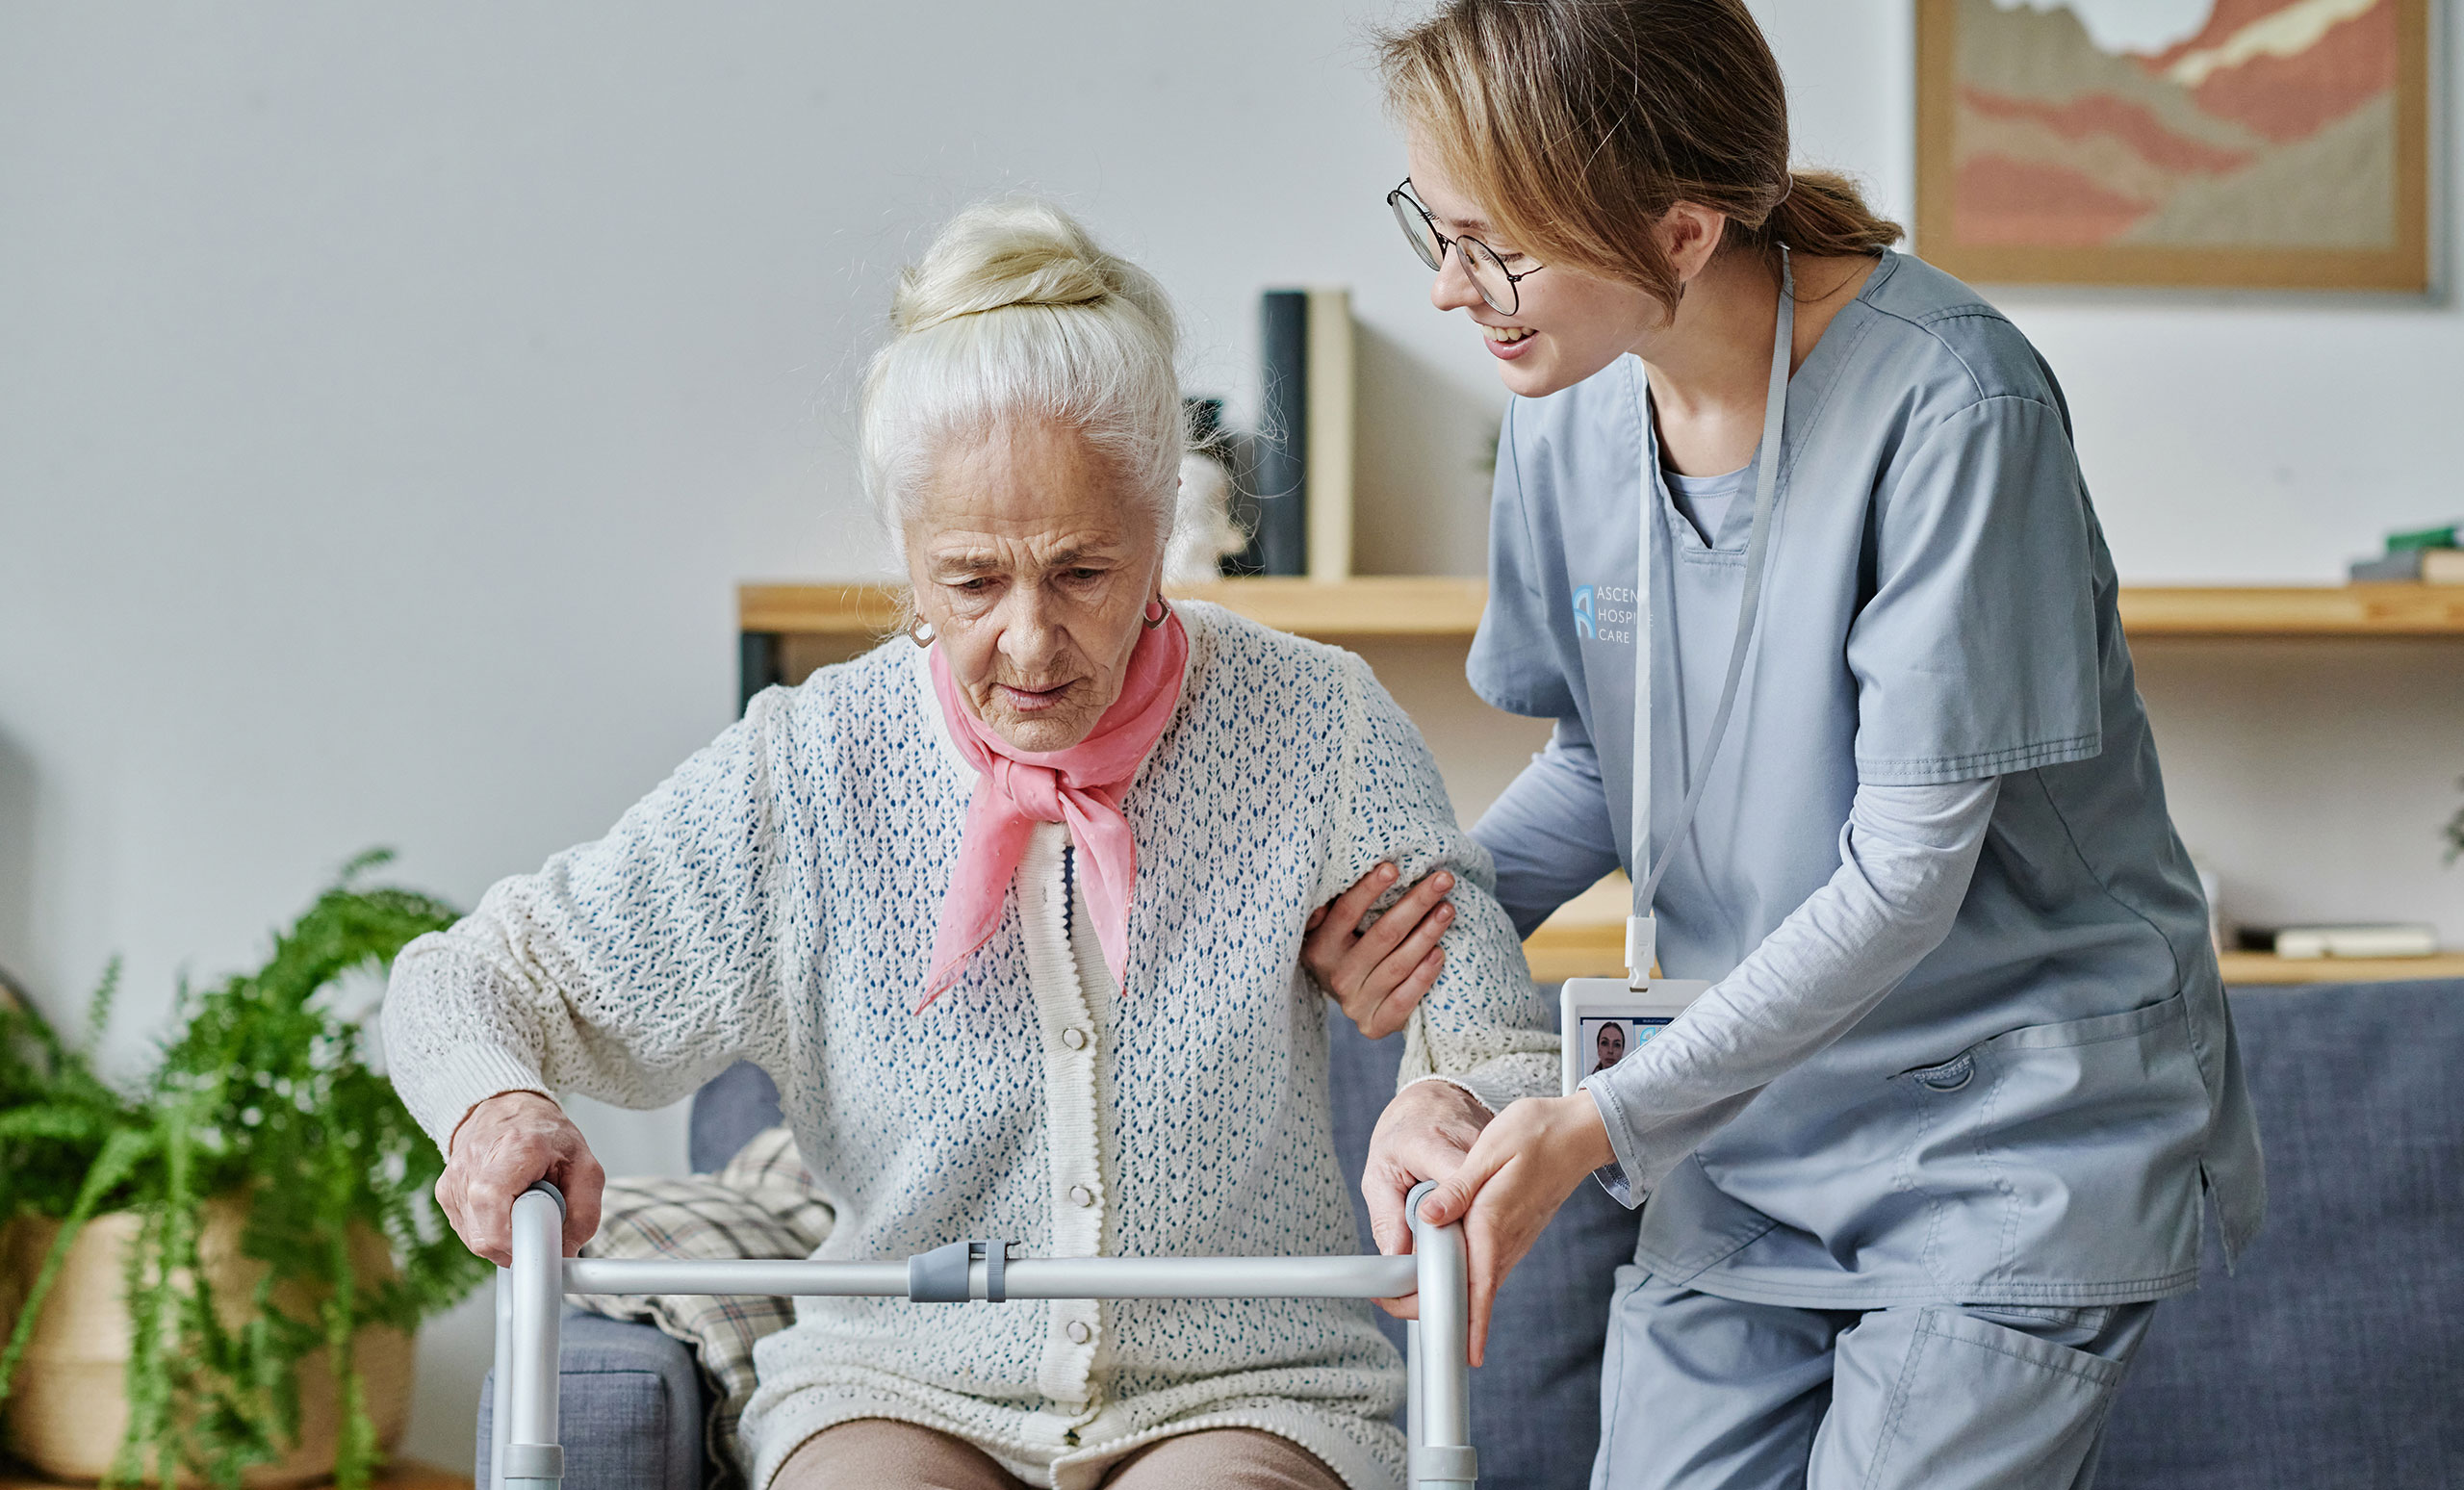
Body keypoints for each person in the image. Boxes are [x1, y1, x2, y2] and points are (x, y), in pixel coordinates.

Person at [384, 198, 1555, 1490]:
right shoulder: (808, 773)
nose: (1030, 642)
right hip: (896, 1385)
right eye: (971, 579)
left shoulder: (1317, 725)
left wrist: (1448, 1102)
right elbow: (469, 978)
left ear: (1164, 519)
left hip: (1247, 1389)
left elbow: (1497, 1041)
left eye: (1083, 572)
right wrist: (494, 1109)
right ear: (901, 554)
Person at [1322, 4, 2264, 1487]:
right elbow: (1606, 770)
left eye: (1495, 247)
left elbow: (1905, 875)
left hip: (2001, 1144)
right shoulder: (1567, 409)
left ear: (1682, 234)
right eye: (1433, 230)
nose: (1451, 290)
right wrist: (1421, 953)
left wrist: (1593, 1126)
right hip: (1739, 1136)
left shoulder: (1954, 403)